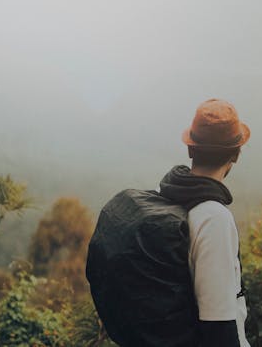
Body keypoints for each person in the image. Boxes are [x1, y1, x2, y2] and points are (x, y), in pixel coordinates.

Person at [86, 98, 251, 347]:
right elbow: (219, 327)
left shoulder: (163, 196)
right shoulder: (214, 219)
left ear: (190, 150)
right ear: (235, 155)